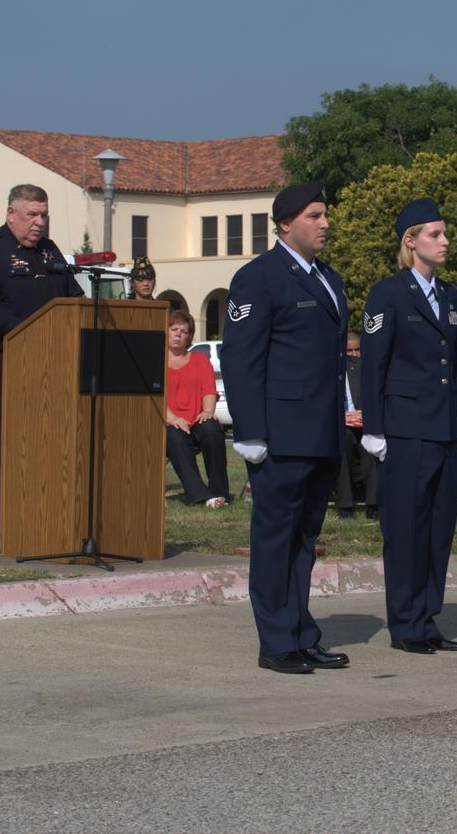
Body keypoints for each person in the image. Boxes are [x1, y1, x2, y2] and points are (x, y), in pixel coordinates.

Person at [220, 182, 350, 675]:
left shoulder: (328, 278)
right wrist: (250, 431)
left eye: (325, 214)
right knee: (275, 539)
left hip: (319, 430)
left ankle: (300, 632)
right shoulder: (259, 277)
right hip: (279, 433)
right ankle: (276, 641)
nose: (324, 223)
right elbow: (241, 356)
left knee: (303, 540)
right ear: (284, 225)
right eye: (315, 215)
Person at [360, 198, 457, 655]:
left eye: (444, 234)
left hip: (441, 428)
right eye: (435, 234)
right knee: (405, 529)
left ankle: (427, 617)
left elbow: (454, 364)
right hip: (404, 429)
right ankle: (405, 624)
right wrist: (375, 428)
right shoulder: (388, 294)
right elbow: (374, 364)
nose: (444, 241)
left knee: (439, 529)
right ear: (411, 240)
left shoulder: (449, 295)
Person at [0, 184, 83, 548]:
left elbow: (74, 297)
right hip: (5, 361)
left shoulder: (50, 252)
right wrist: (28, 332)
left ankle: (47, 521)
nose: (39, 222)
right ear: (11, 214)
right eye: (32, 214)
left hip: (52, 365)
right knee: (6, 450)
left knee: (49, 447)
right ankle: (7, 528)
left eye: (44, 214)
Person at [165, 309, 230, 508]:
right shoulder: (155, 361)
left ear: (190, 337)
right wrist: (174, 418)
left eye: (184, 331)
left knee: (211, 429)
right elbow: (155, 397)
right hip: (168, 422)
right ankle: (199, 495)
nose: (178, 334)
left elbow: (209, 390)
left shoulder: (201, 360)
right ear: (166, 331)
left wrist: (208, 412)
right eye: (174, 329)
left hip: (195, 420)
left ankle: (219, 493)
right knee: (175, 435)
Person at [335, 331, 378, 519]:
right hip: (341, 423)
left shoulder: (369, 371)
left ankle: (374, 504)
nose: (354, 355)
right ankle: (345, 505)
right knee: (341, 443)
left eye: (357, 350)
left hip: (366, 422)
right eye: (349, 351)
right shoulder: (334, 371)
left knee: (372, 445)